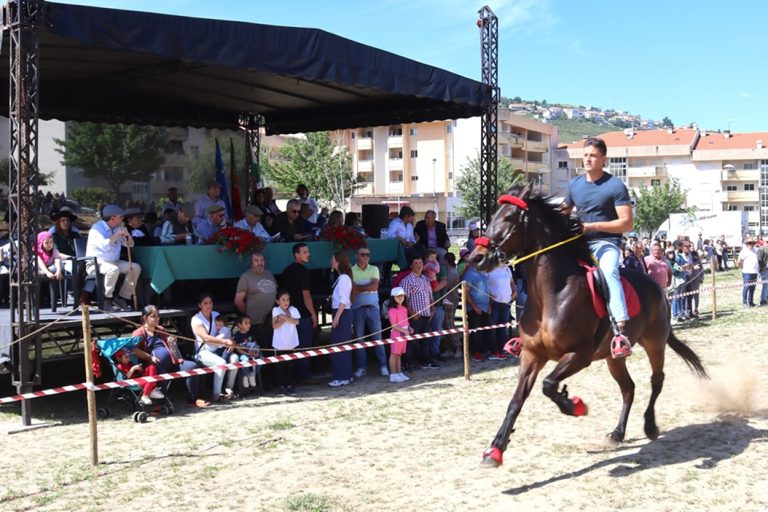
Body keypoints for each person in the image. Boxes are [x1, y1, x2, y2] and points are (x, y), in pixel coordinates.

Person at [562, 137, 633, 358]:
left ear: (604, 159)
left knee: (609, 271)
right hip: (579, 243)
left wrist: (591, 226)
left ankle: (620, 330)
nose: (587, 159)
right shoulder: (574, 185)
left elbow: (627, 223)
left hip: (606, 242)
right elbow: (564, 213)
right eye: (585, 155)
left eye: (592, 155)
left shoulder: (615, 186)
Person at [132, 305, 208, 408]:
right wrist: (150, 357)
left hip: (172, 362)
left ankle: (193, 399)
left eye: (158, 316)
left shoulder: (161, 329)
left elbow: (170, 347)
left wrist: (172, 344)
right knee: (160, 373)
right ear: (145, 318)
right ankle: (158, 406)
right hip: (154, 366)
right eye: (154, 316)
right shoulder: (139, 333)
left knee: (192, 366)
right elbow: (134, 350)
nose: (157, 318)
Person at [85, 204, 142, 312]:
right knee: (113, 269)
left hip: (113, 261)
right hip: (96, 263)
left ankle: (122, 298)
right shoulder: (96, 229)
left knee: (135, 267)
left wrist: (127, 236)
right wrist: (116, 234)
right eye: (121, 217)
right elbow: (105, 246)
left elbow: (130, 245)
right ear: (112, 218)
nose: (123, 219)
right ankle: (106, 299)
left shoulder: (118, 228)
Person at [279, 243, 317, 382]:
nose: (308, 254)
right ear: (297, 254)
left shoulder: (286, 270)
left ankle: (292, 377)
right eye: (305, 252)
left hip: (289, 314)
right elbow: (306, 295)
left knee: (291, 346)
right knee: (305, 347)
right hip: (303, 315)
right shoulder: (304, 271)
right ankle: (304, 376)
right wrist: (313, 314)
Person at [190, 293, 238, 402]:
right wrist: (225, 341)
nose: (208, 306)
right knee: (221, 363)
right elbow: (206, 338)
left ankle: (229, 389)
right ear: (200, 305)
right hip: (203, 352)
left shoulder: (216, 314)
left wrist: (232, 342)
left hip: (219, 349)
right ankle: (217, 394)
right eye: (205, 303)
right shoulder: (196, 319)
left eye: (210, 303)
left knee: (235, 359)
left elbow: (226, 331)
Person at [351, 245, 388, 378]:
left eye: (368, 254)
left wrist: (358, 288)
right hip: (357, 309)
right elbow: (352, 289)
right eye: (363, 254)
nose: (366, 257)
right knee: (359, 340)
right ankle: (361, 366)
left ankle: (383, 365)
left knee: (377, 338)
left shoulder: (374, 269)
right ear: (357, 256)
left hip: (373, 308)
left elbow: (375, 286)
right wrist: (367, 288)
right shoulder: (351, 270)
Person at [399, 255, 439, 369]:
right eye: (416, 263)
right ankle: (407, 363)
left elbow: (430, 296)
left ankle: (426, 361)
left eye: (420, 263)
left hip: (427, 315)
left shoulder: (426, 279)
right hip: (415, 316)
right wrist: (411, 313)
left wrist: (432, 309)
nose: (419, 265)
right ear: (411, 266)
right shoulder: (406, 281)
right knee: (411, 341)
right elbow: (404, 299)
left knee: (426, 339)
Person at [234, 251, 278, 336]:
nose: (259, 263)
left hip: (271, 320)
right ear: (251, 263)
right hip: (255, 323)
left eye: (262, 260)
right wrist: (248, 315)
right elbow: (238, 301)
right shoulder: (246, 276)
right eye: (256, 261)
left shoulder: (269, 273)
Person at [328, 251, 354, 387]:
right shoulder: (341, 277)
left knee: (339, 346)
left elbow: (344, 300)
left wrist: (336, 317)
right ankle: (345, 375)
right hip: (340, 312)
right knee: (340, 345)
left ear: (337, 261)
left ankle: (341, 376)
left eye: (333, 259)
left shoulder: (344, 278)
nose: (331, 261)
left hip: (341, 313)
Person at [464, 241, 493, 362]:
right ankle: (476, 352)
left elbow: (486, 289)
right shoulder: (469, 274)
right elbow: (466, 292)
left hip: (485, 306)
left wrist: (489, 304)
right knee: (476, 332)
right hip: (474, 307)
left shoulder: (483, 272)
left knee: (486, 330)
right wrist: (474, 306)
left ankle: (486, 350)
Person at [487, 256, 516, 361]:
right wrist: (489, 297)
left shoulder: (507, 269)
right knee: (493, 328)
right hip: (495, 302)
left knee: (502, 327)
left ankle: (503, 349)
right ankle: (494, 351)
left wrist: (514, 292)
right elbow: (484, 285)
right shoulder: (489, 270)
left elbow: (512, 283)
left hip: (506, 302)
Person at [272, 287, 300, 395]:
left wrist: (284, 317)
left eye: (287, 299)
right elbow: (274, 325)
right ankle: (281, 386)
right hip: (279, 343)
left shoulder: (293, 310)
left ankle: (291, 385)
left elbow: (296, 322)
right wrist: (285, 319)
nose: (286, 302)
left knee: (290, 365)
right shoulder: (276, 310)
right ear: (278, 301)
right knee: (280, 366)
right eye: (283, 300)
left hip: (291, 342)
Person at [387, 287, 411, 383]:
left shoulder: (404, 308)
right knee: (394, 354)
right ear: (393, 298)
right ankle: (393, 374)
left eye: (401, 295)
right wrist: (404, 331)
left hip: (404, 333)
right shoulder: (392, 310)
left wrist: (409, 328)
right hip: (397, 334)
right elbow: (394, 325)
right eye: (397, 296)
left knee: (399, 354)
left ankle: (399, 372)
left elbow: (406, 321)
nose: (400, 297)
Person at [233, 314, 261, 390]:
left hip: (252, 353)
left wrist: (255, 352)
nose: (249, 325)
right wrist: (248, 354)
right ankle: (245, 376)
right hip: (243, 354)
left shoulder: (251, 334)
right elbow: (238, 349)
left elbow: (255, 344)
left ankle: (252, 374)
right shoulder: (237, 335)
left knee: (261, 359)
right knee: (245, 360)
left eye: (249, 323)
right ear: (239, 325)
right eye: (246, 323)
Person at [441, 252, 461, 357]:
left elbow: (446, 286)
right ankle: (450, 348)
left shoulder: (452, 272)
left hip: (450, 300)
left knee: (450, 324)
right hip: (449, 300)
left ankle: (458, 348)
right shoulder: (452, 271)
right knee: (446, 325)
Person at [737, 239, 759, 308]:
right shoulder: (744, 251)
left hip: (754, 272)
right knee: (746, 287)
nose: (751, 245)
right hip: (747, 272)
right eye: (750, 243)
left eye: (752, 243)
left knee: (752, 288)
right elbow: (739, 261)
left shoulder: (755, 250)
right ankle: (744, 303)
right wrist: (740, 267)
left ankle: (751, 302)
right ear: (747, 244)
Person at [757, 241, 768, 306]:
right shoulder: (761, 249)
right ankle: (763, 301)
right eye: (767, 242)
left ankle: (766, 298)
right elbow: (759, 259)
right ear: (764, 242)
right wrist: (762, 268)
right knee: (765, 285)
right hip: (763, 270)